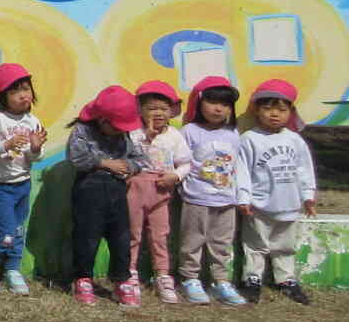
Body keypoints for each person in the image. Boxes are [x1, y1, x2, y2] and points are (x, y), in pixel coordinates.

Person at [238, 79, 319, 305]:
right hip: (259, 205)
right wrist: (244, 198)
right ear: (256, 109)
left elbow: (304, 169)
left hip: (289, 204)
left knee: (285, 245)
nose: (274, 114)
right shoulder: (249, 139)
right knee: (256, 244)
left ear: (290, 112)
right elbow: (242, 171)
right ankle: (252, 278)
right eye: (268, 108)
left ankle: (285, 279)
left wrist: (308, 196)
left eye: (281, 110)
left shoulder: (295, 140)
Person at [67, 86, 146, 305]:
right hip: (89, 190)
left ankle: (122, 280)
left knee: (121, 238)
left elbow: (140, 160)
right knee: (87, 236)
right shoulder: (82, 131)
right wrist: (104, 163)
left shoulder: (126, 134)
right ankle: (82, 277)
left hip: (117, 191)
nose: (121, 132)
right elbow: (76, 158)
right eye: (117, 127)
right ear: (102, 120)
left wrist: (127, 166)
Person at [0, 62, 45, 295]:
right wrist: (6, 144)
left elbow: (34, 157)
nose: (23, 95)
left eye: (26, 89)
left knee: (17, 229)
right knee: (5, 230)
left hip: (22, 183)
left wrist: (35, 148)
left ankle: (13, 269)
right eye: (15, 91)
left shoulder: (32, 120)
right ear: (3, 96)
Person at [177, 76, 248, 305]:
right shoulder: (189, 131)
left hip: (226, 199)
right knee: (192, 240)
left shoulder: (233, 134)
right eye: (213, 102)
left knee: (222, 243)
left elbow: (237, 166)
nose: (219, 108)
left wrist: (241, 195)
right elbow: (179, 162)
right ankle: (190, 279)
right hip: (197, 198)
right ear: (199, 103)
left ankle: (221, 282)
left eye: (225, 104)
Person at [130, 80, 192, 304]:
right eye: (151, 108)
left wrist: (175, 176)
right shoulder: (134, 132)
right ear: (140, 109)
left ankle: (163, 275)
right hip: (136, 188)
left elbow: (186, 162)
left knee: (159, 235)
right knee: (133, 234)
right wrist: (146, 136)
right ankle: (130, 273)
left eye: (163, 109)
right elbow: (129, 155)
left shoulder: (174, 135)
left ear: (172, 111)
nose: (157, 113)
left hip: (162, 191)